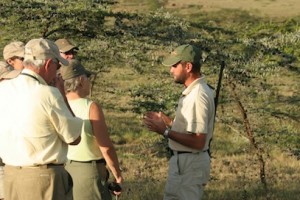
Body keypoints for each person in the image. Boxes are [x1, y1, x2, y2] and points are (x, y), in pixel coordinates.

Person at [0, 38, 83, 200]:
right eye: (57, 66)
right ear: (48, 64)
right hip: (43, 179)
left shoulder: (3, 89)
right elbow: (74, 138)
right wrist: (62, 94)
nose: (57, 72)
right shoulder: (47, 93)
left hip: (10, 176)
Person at [143, 44, 215, 200]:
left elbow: (198, 141)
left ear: (188, 66)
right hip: (187, 162)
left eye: (175, 65)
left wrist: (164, 131)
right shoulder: (195, 91)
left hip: (189, 163)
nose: (171, 70)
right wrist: (169, 122)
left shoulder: (197, 95)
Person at [60, 59, 123, 200]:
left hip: (64, 170)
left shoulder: (59, 104)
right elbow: (105, 147)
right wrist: (117, 174)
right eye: (88, 78)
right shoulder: (91, 107)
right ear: (81, 80)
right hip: (88, 172)